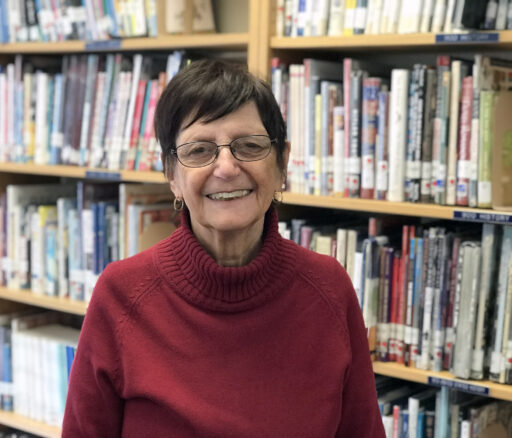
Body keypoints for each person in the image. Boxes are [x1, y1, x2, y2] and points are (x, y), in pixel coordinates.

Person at [62, 59, 385, 437]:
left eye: (249, 146)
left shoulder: (328, 288)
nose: (227, 167)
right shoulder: (122, 295)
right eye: (199, 150)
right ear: (172, 175)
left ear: (282, 163)